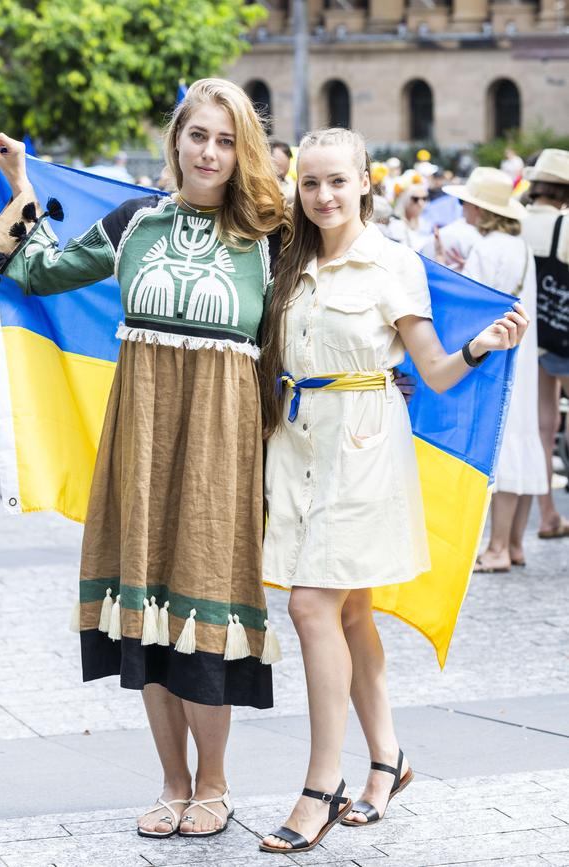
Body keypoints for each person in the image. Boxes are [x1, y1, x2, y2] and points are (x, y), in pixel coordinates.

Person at [0, 78, 287, 839]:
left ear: (241, 149)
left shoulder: (272, 238)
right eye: (198, 135)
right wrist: (20, 183)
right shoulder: (134, 222)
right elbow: (40, 270)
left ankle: (214, 783)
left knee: (205, 603)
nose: (210, 152)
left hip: (224, 445)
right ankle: (172, 782)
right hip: (140, 434)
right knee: (145, 610)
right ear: (176, 139)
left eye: (225, 139)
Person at [257, 128, 529, 854]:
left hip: (366, 444)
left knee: (311, 603)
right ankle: (389, 759)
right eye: (309, 183)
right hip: (297, 441)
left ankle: (322, 782)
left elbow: (434, 370)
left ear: (363, 184)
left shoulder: (393, 262)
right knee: (349, 613)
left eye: (336, 181)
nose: (322, 196)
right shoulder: (287, 259)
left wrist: (482, 346)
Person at [441, 167, 547, 571]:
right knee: (522, 441)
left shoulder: (488, 248)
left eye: (467, 201)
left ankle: (498, 547)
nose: (463, 208)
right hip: (522, 356)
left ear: (481, 209)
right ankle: (515, 543)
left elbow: (466, 303)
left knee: (501, 448)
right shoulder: (519, 246)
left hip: (497, 358)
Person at [520, 149, 569, 538]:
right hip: (564, 334)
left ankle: (548, 512)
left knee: (542, 423)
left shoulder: (515, 222)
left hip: (528, 333)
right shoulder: (565, 225)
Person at [386, 179, 431, 250]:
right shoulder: (396, 224)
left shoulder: (423, 222)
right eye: (415, 199)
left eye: (424, 198)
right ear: (405, 199)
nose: (421, 203)